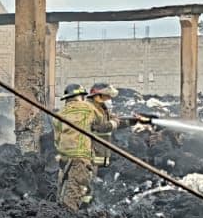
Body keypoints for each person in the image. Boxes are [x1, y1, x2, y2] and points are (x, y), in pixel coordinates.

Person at [55, 82, 147, 210]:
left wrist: (132, 120)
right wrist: (115, 122)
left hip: (70, 154)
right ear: (95, 96)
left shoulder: (63, 113)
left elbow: (57, 137)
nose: (109, 100)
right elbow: (102, 126)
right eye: (106, 97)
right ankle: (70, 215)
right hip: (85, 154)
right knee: (78, 185)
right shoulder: (89, 109)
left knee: (72, 184)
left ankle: (74, 211)